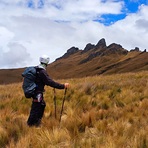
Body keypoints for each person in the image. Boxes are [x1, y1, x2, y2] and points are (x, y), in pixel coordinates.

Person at [27, 54, 69, 127]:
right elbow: (49, 82)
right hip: (37, 93)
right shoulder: (42, 71)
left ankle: (36, 122)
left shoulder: (37, 69)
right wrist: (63, 86)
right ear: (47, 62)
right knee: (37, 107)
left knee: (41, 105)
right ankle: (31, 124)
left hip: (36, 92)